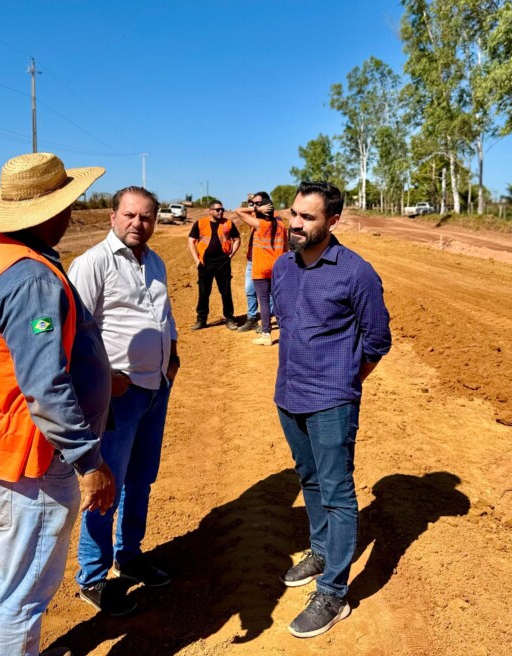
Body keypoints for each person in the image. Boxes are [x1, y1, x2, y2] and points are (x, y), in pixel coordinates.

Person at [0, 152, 116, 656]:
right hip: (29, 462)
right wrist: (89, 462)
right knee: (22, 596)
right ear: (48, 212)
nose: (72, 213)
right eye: (67, 203)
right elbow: (45, 386)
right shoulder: (32, 278)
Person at [273, 181, 391, 638]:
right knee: (310, 479)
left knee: (339, 493)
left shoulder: (355, 273)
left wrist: (344, 382)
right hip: (289, 395)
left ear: (333, 222)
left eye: (308, 217)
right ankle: (321, 549)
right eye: (294, 214)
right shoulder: (283, 267)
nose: (296, 224)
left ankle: (334, 592)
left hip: (331, 401)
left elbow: (377, 340)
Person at [68, 186, 180, 616]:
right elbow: (77, 330)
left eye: (147, 217)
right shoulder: (93, 263)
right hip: (117, 396)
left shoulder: (155, 262)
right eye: (130, 215)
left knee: (142, 479)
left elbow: (162, 314)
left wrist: (173, 350)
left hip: (155, 390)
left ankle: (128, 556)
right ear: (112, 217)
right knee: (106, 487)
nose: (139, 223)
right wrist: (104, 375)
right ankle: (93, 577)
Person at [234, 191, 287, 345]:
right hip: (277, 268)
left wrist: (255, 209)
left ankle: (266, 334)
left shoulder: (260, 224)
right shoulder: (282, 226)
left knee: (263, 302)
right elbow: (286, 248)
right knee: (278, 301)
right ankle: (285, 331)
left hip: (261, 268)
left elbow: (238, 211)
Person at [187, 199, 241, 330]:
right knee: (204, 293)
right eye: (218, 210)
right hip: (205, 264)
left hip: (223, 263)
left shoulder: (228, 223)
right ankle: (201, 320)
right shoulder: (200, 223)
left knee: (226, 292)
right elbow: (191, 241)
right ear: (210, 211)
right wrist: (197, 260)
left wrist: (231, 255)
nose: (221, 211)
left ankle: (229, 318)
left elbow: (237, 239)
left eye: (222, 209)